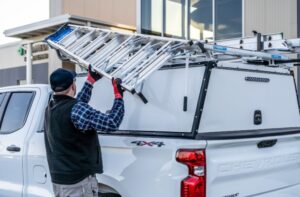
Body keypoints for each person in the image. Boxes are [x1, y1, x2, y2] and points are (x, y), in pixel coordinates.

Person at [44, 66, 124, 197]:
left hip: (61, 181)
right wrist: (118, 96)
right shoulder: (74, 109)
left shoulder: (51, 107)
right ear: (73, 86)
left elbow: (76, 106)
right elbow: (112, 122)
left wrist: (90, 81)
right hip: (78, 183)